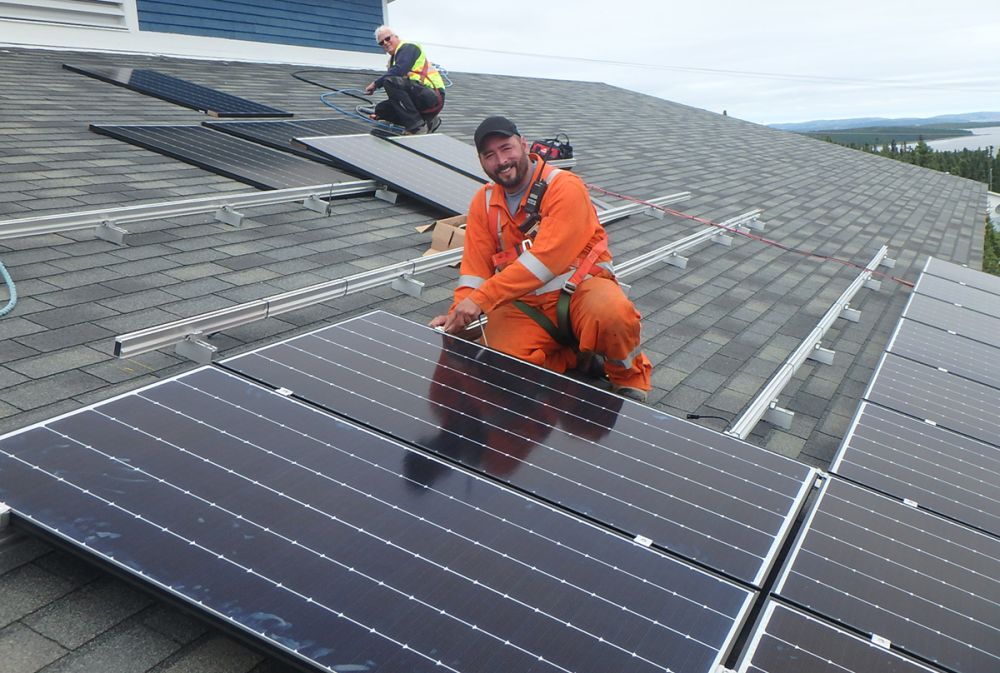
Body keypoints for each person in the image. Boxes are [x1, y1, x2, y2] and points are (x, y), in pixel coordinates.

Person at [430, 116, 652, 402]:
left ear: (523, 145)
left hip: (581, 290)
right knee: (498, 368)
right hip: (525, 305)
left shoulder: (564, 187)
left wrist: (481, 301)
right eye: (490, 155)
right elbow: (474, 271)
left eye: (506, 148)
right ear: (482, 162)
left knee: (613, 315)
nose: (501, 160)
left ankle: (628, 378)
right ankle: (575, 357)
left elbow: (546, 260)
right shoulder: (483, 203)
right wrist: (458, 314)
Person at [364, 25, 445, 135]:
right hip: (417, 97)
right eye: (381, 43)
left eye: (387, 38)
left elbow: (399, 71)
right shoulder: (394, 59)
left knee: (390, 81)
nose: (385, 43)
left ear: (396, 37)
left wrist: (375, 84)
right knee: (381, 109)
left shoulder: (409, 48)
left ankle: (415, 127)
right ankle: (428, 121)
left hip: (432, 95)